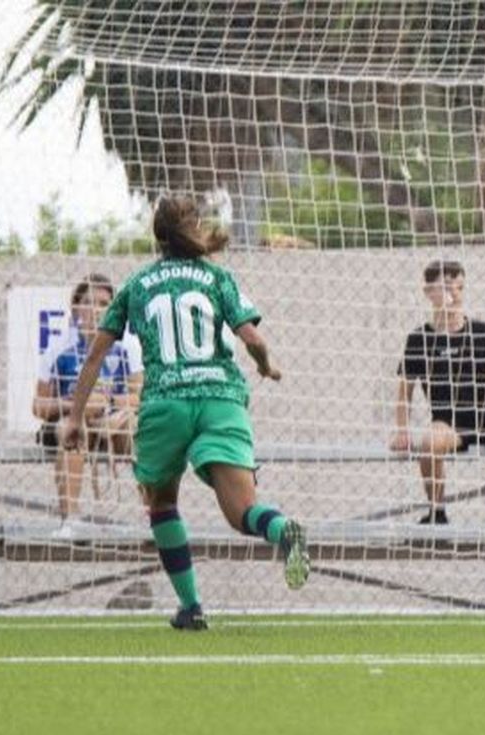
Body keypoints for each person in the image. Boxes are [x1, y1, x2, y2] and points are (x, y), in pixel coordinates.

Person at [61, 195, 310, 631]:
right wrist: (266, 365)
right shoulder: (217, 277)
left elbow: (96, 354)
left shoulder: (138, 284)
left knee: (161, 501)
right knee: (242, 512)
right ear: (195, 228)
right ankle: (283, 530)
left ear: (157, 236)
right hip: (220, 399)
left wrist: (75, 416)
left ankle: (191, 606)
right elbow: (250, 336)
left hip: (166, 402)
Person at [390, 260, 485, 525]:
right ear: (429, 292)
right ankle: (437, 511)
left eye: (459, 287)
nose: (454, 294)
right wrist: (402, 430)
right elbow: (404, 391)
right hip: (450, 423)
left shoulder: (480, 331)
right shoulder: (419, 338)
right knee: (428, 444)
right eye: (447, 287)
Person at [33, 274, 142, 538]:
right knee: (71, 431)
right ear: (76, 308)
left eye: (105, 303)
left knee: (141, 432)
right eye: (89, 302)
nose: (97, 309)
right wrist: (72, 405)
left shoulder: (127, 345)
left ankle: (155, 518)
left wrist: (108, 401)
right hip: (73, 421)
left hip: (113, 424)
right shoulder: (58, 347)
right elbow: (38, 406)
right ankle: (71, 519)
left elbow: (141, 396)